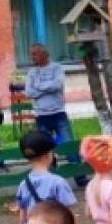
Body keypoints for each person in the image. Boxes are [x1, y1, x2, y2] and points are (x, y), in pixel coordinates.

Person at [14, 129, 88, 224]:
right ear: (48, 155)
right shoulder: (58, 183)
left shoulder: (23, 184)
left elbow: (22, 219)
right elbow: (70, 218)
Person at [24, 43, 84, 183]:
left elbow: (57, 85)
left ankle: (79, 176)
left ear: (45, 54)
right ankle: (48, 180)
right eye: (31, 54)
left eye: (35, 54)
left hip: (58, 114)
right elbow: (29, 92)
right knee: (44, 149)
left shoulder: (56, 68)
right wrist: (46, 88)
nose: (32, 57)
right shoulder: (31, 72)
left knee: (69, 145)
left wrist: (39, 88)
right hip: (41, 116)